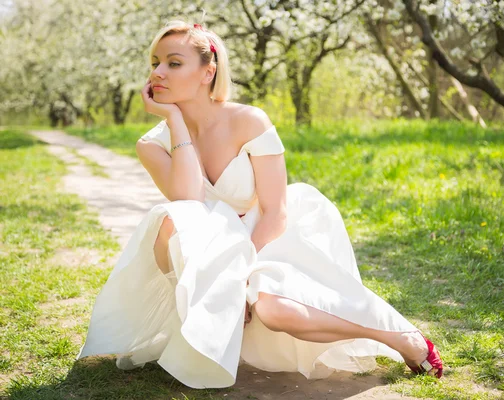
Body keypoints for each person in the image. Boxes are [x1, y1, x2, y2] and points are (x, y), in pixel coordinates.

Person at [76, 18, 443, 389]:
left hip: (265, 234)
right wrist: (174, 121)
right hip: (207, 249)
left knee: (273, 309)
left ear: (208, 72)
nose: (157, 72)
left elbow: (275, 212)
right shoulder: (151, 144)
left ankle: (398, 338)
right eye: (154, 62)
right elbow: (189, 203)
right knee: (170, 218)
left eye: (173, 63)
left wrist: (240, 277)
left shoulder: (250, 121)